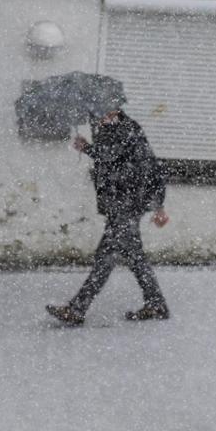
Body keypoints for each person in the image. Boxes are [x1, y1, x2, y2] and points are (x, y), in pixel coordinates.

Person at [46, 109, 170, 326]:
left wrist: (88, 148)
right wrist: (91, 147)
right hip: (120, 205)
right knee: (133, 258)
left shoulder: (126, 129)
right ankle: (156, 303)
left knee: (107, 256)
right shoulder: (111, 129)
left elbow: (134, 164)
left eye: (104, 112)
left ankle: (77, 309)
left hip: (128, 204)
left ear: (114, 110)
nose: (99, 116)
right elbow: (115, 159)